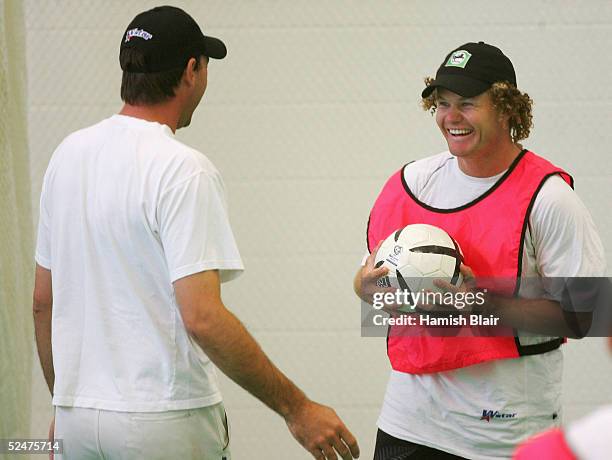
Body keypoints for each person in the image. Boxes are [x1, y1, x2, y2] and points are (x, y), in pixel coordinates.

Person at [33, 6, 359, 460]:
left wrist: (66, 403)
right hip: (163, 421)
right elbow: (202, 317)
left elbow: (43, 301)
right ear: (192, 70)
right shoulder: (183, 169)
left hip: (78, 418)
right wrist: (296, 408)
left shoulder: (66, 157)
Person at [354, 42, 605, 459]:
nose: (451, 117)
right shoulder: (410, 183)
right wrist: (364, 288)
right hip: (409, 423)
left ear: (507, 107)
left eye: (468, 103)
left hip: (503, 434)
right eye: (442, 103)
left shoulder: (549, 198)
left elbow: (585, 315)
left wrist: (479, 305)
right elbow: (368, 288)